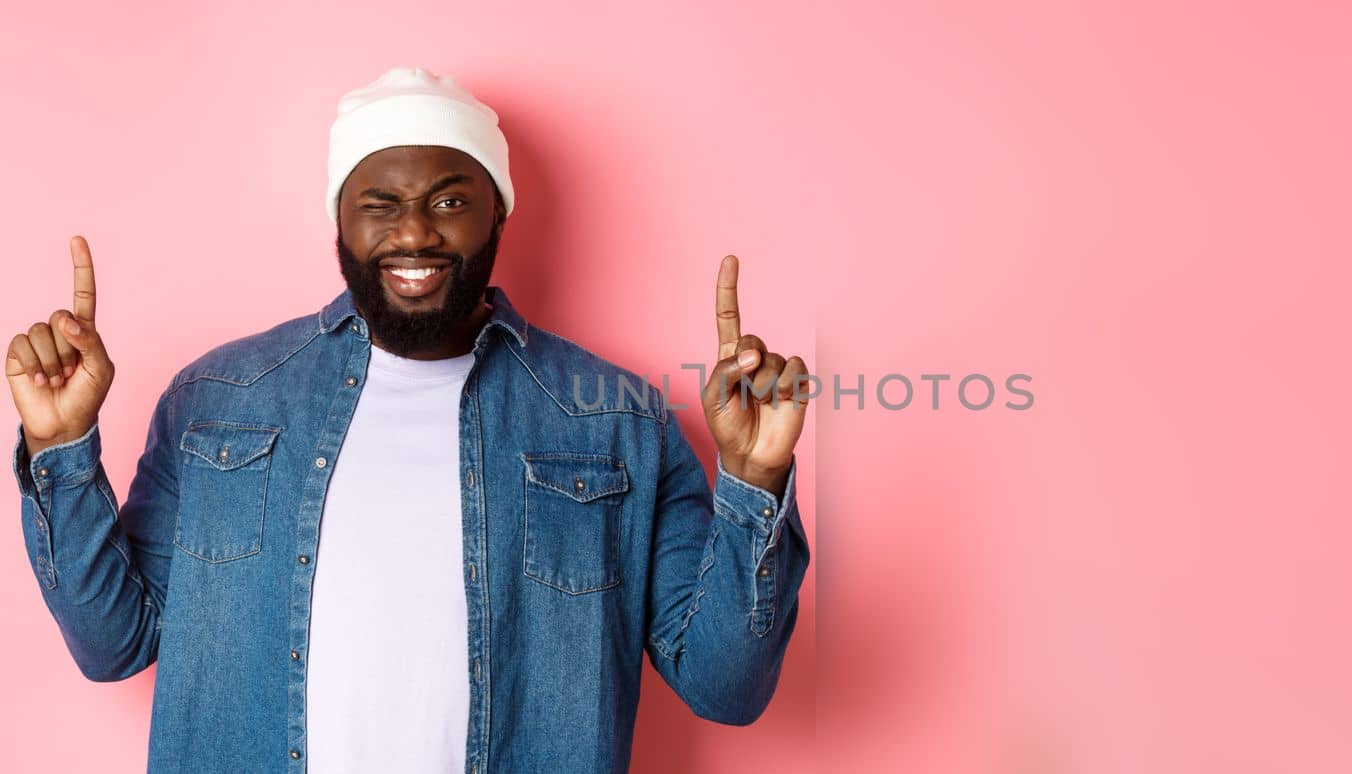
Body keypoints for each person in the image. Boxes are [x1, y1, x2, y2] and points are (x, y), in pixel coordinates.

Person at [6, 67, 812, 773]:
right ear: (340, 222)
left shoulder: (618, 420)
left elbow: (725, 688)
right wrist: (59, 445)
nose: (415, 232)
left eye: (450, 201)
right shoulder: (219, 398)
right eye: (380, 203)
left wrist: (756, 479)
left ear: (497, 215)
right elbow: (114, 645)